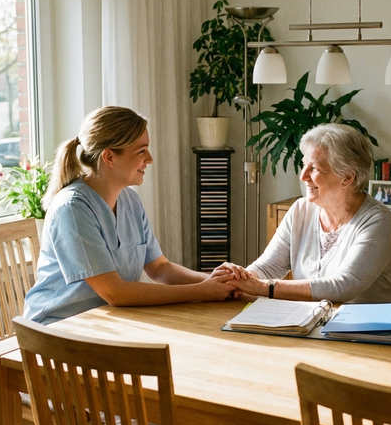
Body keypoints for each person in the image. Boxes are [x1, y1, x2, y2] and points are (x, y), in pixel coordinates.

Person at [215, 123, 391, 425]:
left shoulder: (377, 221)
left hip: (370, 348)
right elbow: (267, 267)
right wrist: (239, 276)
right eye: (305, 163)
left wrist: (263, 288)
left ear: (348, 178)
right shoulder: (302, 211)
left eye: (315, 167)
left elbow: (342, 286)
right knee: (283, 411)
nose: (303, 174)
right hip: (310, 338)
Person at [23, 106, 237, 324]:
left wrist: (217, 281)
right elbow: (115, 293)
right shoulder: (71, 208)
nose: (150, 159)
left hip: (110, 324)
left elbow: (160, 268)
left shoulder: (130, 201)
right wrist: (201, 291)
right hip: (56, 329)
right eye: (141, 151)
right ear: (109, 157)